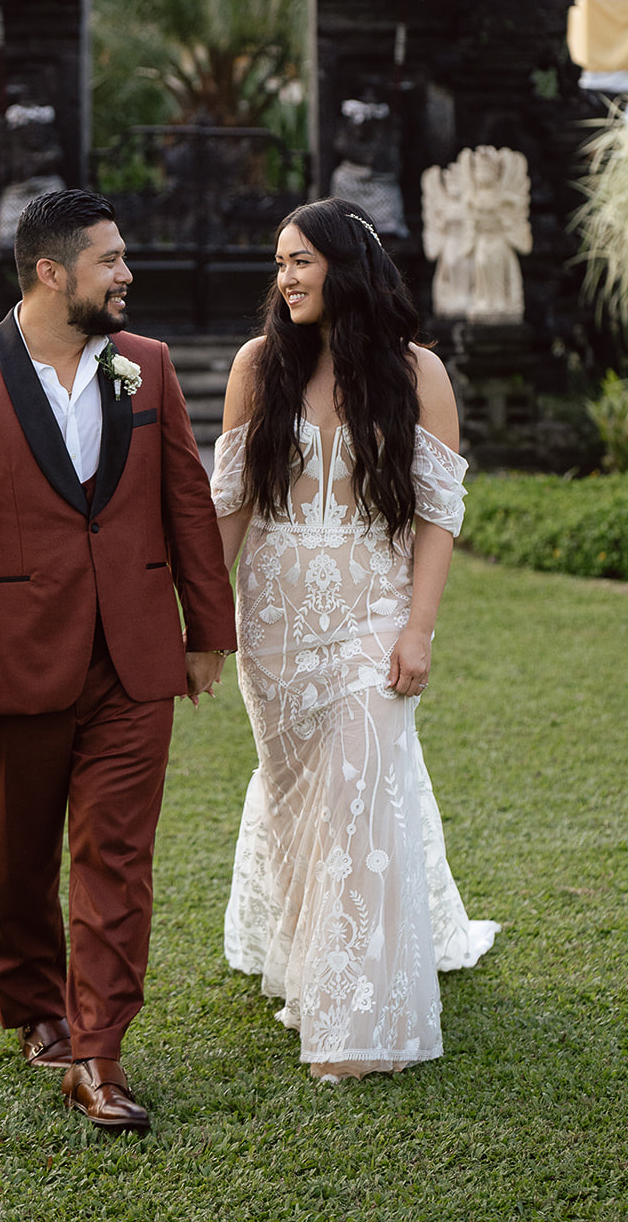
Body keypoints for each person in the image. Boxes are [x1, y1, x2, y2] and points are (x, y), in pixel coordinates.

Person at [0, 188, 236, 1134]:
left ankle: (98, 1052)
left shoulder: (148, 368)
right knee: (11, 860)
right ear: (53, 274)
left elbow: (183, 497)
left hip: (133, 661)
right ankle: (35, 1004)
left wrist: (206, 629)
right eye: (110, 261)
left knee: (117, 860)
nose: (128, 275)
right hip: (12, 664)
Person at [211, 197, 498, 1083]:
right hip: (273, 624)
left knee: (363, 792)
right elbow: (227, 506)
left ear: (347, 265)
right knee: (306, 799)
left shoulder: (418, 375)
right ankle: (304, 952)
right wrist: (196, 620)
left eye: (300, 259)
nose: (285, 277)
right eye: (279, 261)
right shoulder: (259, 365)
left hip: (371, 615)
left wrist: (418, 631)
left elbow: (438, 516)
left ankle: (359, 1023)